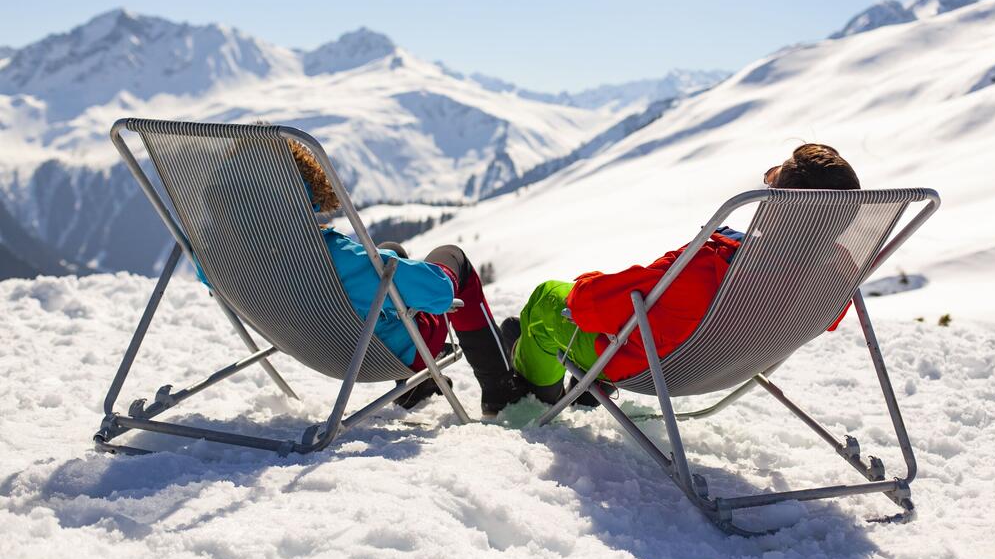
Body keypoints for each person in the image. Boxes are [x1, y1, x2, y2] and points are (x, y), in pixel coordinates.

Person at [504, 143, 862, 407]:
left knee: (547, 299)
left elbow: (589, 306)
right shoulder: (837, 273)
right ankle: (559, 370)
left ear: (775, 208)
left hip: (654, 367)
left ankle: (532, 401)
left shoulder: (713, 264)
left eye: (771, 186)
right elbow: (826, 322)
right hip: (735, 365)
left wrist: (587, 282)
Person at [197, 140, 526, 416]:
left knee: (390, 252)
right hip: (383, 354)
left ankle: (419, 388)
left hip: (304, 344)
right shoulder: (332, 257)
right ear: (296, 199)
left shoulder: (214, 257)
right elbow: (439, 293)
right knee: (450, 258)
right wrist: (435, 274)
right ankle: (499, 389)